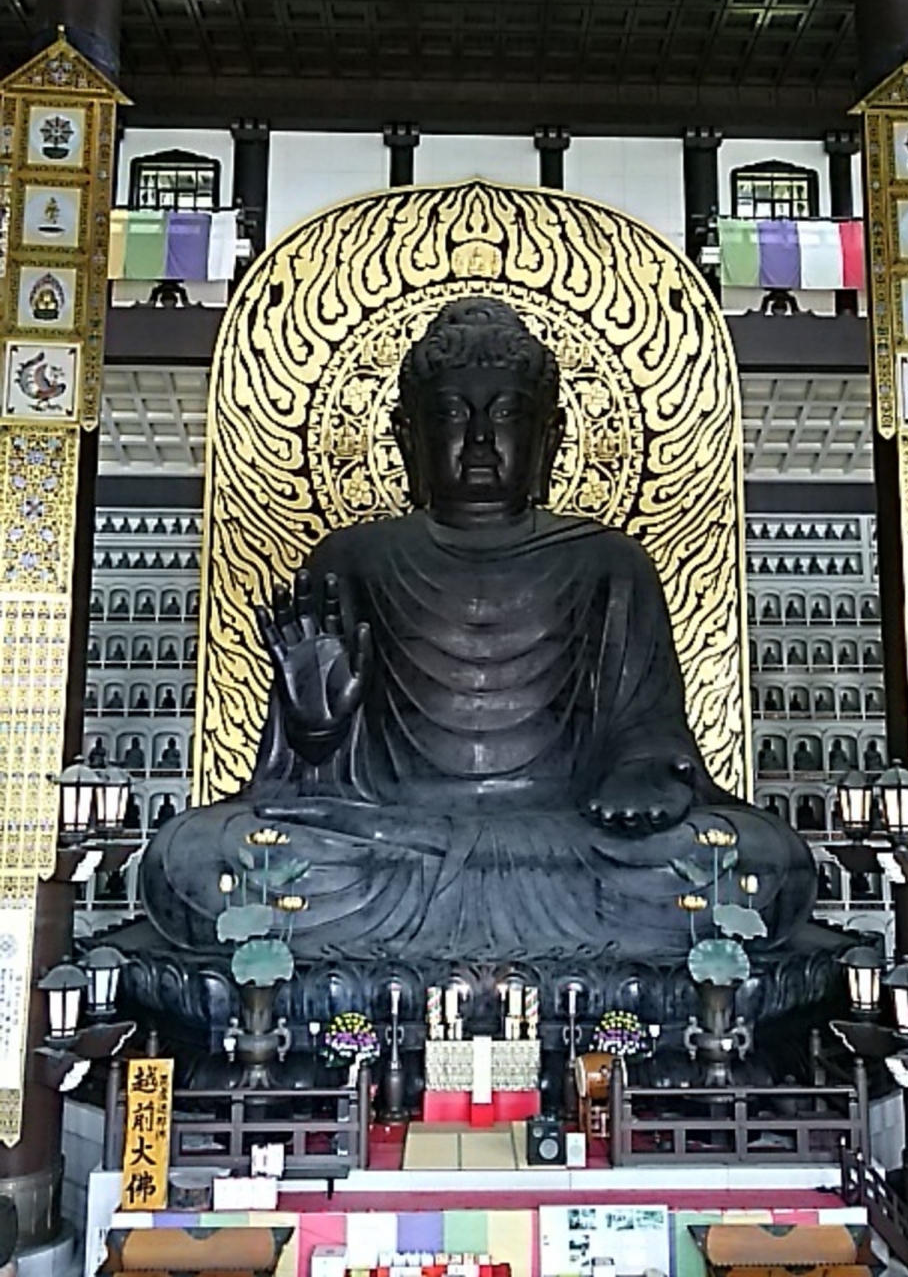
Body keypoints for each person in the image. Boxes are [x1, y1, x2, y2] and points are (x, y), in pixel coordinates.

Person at [141, 298, 815, 961]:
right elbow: (305, 785)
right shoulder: (355, 557)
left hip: (569, 838)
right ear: (408, 437)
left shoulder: (606, 558)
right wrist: (316, 732)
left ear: (550, 437)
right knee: (194, 858)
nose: (483, 441)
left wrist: (641, 774)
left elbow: (645, 726)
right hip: (388, 836)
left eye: (508, 416)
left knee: (762, 860)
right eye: (450, 417)